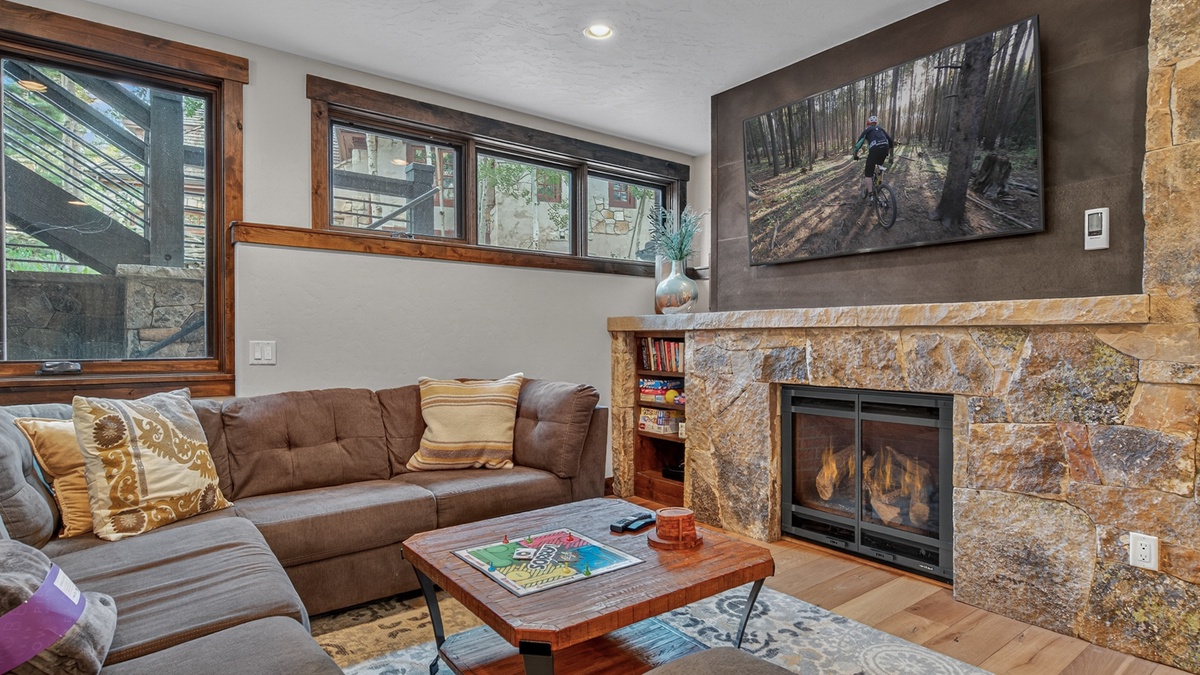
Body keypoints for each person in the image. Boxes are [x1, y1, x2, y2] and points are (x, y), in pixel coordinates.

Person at [851, 115, 893, 200]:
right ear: (876, 123)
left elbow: (858, 144)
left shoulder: (867, 130)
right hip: (884, 148)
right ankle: (879, 186)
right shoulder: (881, 129)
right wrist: (887, 152)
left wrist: (855, 155)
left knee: (868, 174)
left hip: (874, 150)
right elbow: (890, 142)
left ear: (868, 124)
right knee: (879, 167)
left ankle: (871, 195)